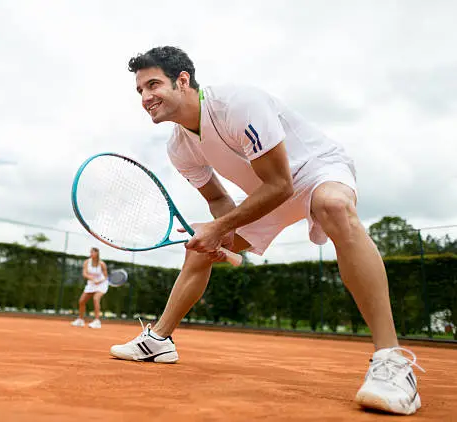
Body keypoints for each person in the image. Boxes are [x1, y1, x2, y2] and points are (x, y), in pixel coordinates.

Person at [109, 46, 424, 415]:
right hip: (269, 190)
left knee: (335, 207)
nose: (146, 97)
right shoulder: (179, 147)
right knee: (196, 248)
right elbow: (219, 202)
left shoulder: (238, 104)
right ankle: (159, 340)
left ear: (182, 81)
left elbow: (281, 185)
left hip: (315, 170)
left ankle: (392, 361)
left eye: (153, 85)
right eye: (140, 91)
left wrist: (220, 228)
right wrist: (219, 237)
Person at [71, 247, 108, 329]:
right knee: (81, 301)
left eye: (93, 252)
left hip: (102, 284)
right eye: (90, 252)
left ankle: (97, 321)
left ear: (97, 254)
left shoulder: (102, 264)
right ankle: (80, 320)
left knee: (96, 299)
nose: (91, 254)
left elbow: (105, 276)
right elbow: (84, 274)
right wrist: (92, 279)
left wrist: (99, 281)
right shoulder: (87, 262)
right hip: (91, 284)